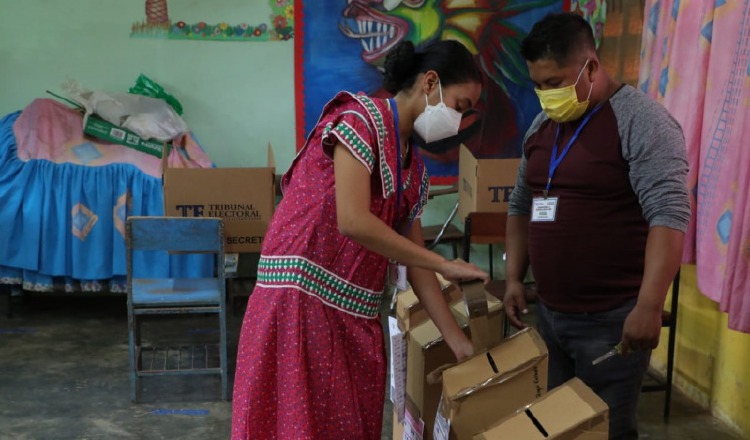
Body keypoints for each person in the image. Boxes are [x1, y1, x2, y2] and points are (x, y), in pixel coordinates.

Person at [231, 39, 489, 440]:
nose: (459, 121)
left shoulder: (412, 170)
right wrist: (444, 264)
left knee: (345, 424)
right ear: (431, 82)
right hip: (301, 304)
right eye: (460, 106)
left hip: (354, 316)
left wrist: (457, 342)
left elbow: (415, 261)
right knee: (299, 426)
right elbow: (352, 220)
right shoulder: (359, 121)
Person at [503, 12, 690, 440]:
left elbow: (669, 214)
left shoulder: (643, 122)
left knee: (606, 430)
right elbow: (521, 202)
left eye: (555, 83)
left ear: (590, 67)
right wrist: (514, 275)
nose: (546, 95)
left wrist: (648, 305)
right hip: (550, 313)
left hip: (611, 320)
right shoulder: (541, 127)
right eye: (539, 85)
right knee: (558, 426)